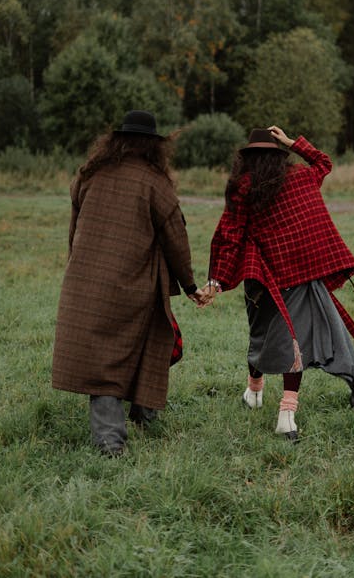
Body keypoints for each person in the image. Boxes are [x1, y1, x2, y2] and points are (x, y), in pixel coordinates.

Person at [206, 126, 354, 442]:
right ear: (278, 156)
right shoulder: (301, 176)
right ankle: (261, 396)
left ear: (247, 158)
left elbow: (230, 235)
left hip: (261, 278)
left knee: (266, 336)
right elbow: (324, 163)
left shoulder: (241, 187)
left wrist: (216, 281)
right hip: (298, 275)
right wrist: (294, 142)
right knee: (288, 342)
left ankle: (277, 409)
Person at [52, 110, 208, 456]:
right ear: (154, 147)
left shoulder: (89, 175)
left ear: (117, 141)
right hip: (134, 282)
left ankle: (143, 411)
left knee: (119, 350)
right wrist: (190, 284)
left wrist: (76, 268)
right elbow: (176, 238)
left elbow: (74, 231)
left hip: (85, 279)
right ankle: (110, 440)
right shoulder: (155, 182)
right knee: (120, 355)